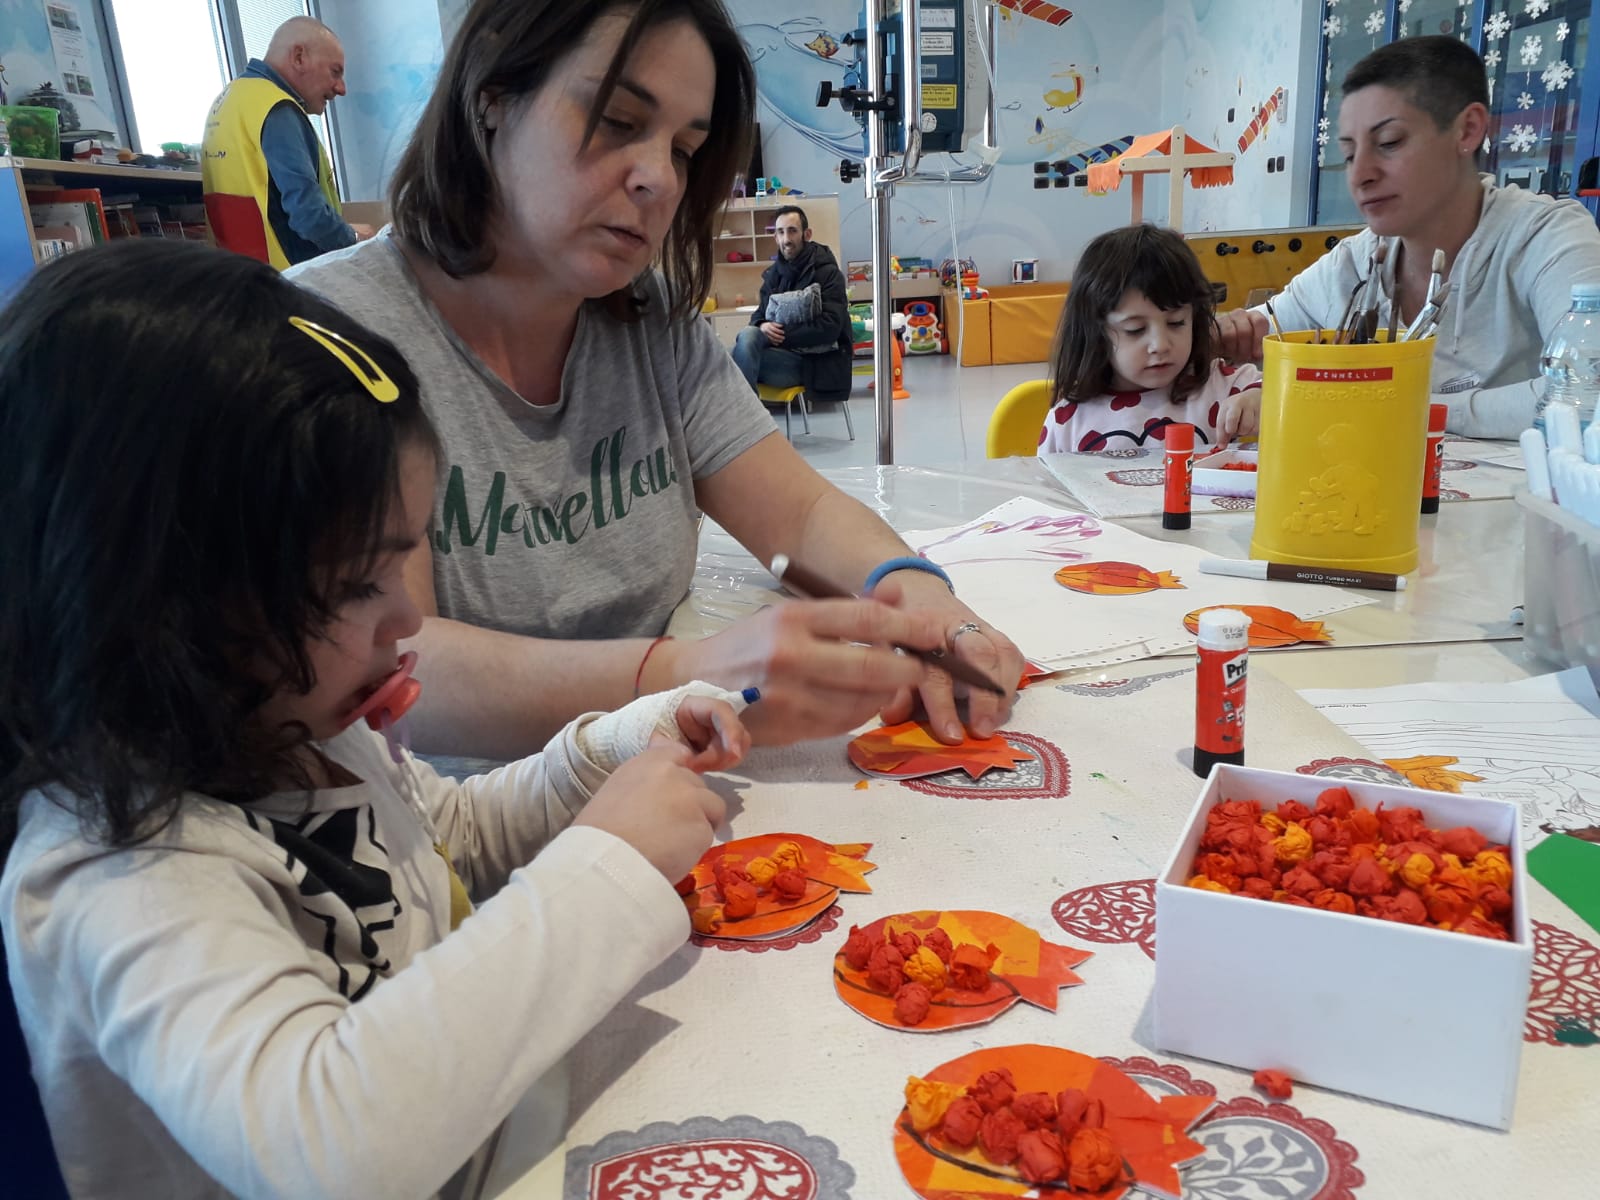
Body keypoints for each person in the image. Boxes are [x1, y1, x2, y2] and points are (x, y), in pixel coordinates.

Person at [0, 240, 750, 1197]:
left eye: (405, 557)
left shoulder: (303, 724)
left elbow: (450, 842)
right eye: (357, 584)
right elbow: (330, 1151)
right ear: (156, 606)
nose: (407, 618)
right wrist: (606, 871)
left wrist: (610, 750)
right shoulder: (122, 866)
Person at [288, 0, 1022, 761]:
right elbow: (396, 673)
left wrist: (917, 597)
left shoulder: (649, 320)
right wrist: (679, 679)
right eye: (616, 120)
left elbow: (796, 517)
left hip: (651, 776)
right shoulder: (329, 334)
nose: (657, 180)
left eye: (683, 149)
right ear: (493, 97)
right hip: (450, 837)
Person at [1214, 36, 1600, 440]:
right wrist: (1206, 335)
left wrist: (1412, 405)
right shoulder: (1358, 261)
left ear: (1467, 130)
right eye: (1348, 154)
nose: (1360, 174)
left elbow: (1586, 390)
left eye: (1389, 143)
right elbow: (1257, 327)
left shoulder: (1547, 238)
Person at [1040, 224, 1261, 453]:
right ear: (1096, 332)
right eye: (1135, 329)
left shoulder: (1224, 386)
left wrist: (1259, 399)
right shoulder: (1068, 420)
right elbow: (1046, 488)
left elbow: (1285, 395)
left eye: (1176, 323)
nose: (1160, 345)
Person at [202, 16, 374, 268]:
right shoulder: (278, 110)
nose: (341, 88)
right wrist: (357, 242)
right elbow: (308, 215)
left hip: (241, 285)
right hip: (289, 288)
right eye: (335, 72)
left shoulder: (228, 103)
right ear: (299, 57)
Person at [731, 204, 854, 403]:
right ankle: (749, 416)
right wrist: (763, 325)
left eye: (792, 231)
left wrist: (779, 335)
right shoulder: (773, 275)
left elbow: (830, 327)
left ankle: (746, 417)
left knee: (731, 360)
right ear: (775, 237)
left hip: (811, 366)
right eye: (781, 232)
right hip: (778, 357)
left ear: (807, 234)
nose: (786, 239)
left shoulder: (828, 274)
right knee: (743, 340)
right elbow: (758, 315)